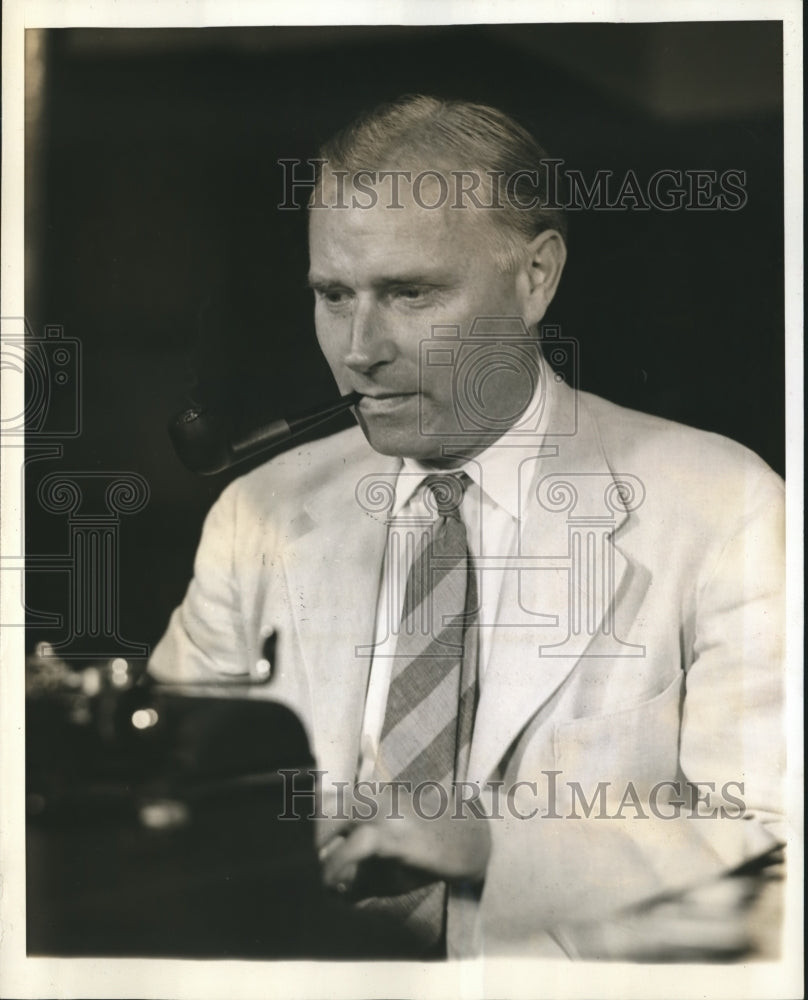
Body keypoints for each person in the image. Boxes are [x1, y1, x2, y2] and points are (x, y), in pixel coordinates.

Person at [149, 96, 785, 960]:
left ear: (535, 278)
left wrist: (496, 846)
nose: (359, 348)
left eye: (410, 293)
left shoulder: (725, 503)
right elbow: (164, 808)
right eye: (334, 295)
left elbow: (774, 851)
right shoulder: (255, 513)